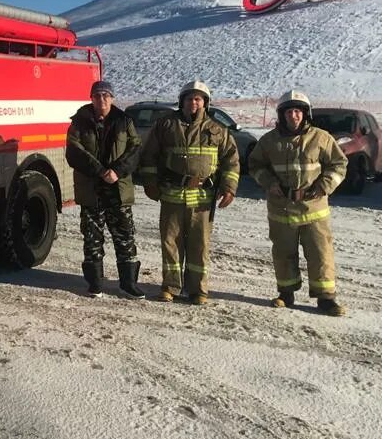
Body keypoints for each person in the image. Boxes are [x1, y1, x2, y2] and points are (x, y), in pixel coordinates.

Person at [139, 81, 239, 304]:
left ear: (205, 102)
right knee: (170, 242)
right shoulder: (166, 125)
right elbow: (149, 156)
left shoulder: (217, 130)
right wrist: (150, 182)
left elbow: (231, 161)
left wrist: (229, 188)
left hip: (203, 199)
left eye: (198, 99)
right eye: (189, 98)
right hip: (172, 195)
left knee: (200, 245)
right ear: (182, 101)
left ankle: (198, 290)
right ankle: (170, 287)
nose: (193, 103)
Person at [248, 90, 348, 316]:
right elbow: (254, 165)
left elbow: (339, 164)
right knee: (283, 253)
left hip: (314, 210)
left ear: (305, 114)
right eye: (289, 112)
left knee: (321, 253)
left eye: (298, 112)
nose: (293, 116)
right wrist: (268, 182)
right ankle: (286, 293)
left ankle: (326, 299)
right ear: (282, 115)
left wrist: (325, 185)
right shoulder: (268, 141)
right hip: (281, 209)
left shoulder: (321, 138)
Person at [65, 79, 144, 298]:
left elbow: (135, 148)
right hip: (92, 190)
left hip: (118, 189)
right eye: (97, 95)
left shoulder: (124, 121)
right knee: (92, 237)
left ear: (112, 98)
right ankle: (95, 283)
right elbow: (74, 151)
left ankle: (128, 283)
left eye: (106, 95)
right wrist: (100, 171)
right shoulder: (79, 122)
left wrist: (116, 171)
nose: (102, 99)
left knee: (125, 236)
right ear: (91, 98)